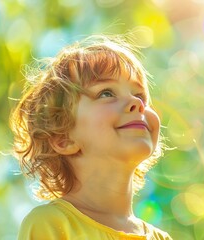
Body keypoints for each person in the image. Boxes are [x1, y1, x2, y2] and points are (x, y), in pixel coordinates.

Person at [10, 34, 172, 240]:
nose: (136, 102)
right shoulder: (51, 223)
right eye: (106, 93)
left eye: (140, 96)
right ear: (63, 138)